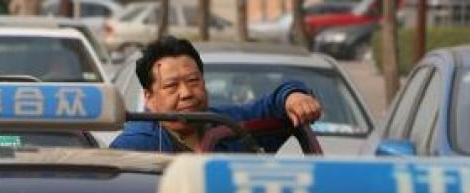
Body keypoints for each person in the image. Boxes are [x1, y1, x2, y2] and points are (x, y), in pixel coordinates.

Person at [110, 36, 323, 153]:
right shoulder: (135, 145)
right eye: (172, 86)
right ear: (149, 97)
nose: (186, 93)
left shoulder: (229, 126)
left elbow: (273, 106)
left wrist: (293, 96)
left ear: (204, 83)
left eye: (193, 81)